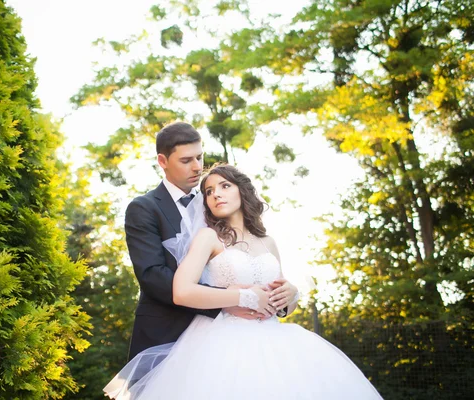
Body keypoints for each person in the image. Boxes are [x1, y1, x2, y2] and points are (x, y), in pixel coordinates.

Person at [105, 164, 383, 399]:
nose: (215, 194)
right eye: (209, 192)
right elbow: (182, 291)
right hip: (221, 343)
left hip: (278, 344)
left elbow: (280, 299)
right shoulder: (208, 238)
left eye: (224, 186)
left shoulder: (268, 241)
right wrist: (243, 297)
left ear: (242, 190)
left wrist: (291, 294)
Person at [123, 122, 298, 361]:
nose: (197, 167)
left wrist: (287, 296)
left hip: (242, 337)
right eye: (186, 161)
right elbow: (153, 276)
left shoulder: (217, 206)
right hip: (167, 332)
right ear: (163, 161)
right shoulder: (144, 208)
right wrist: (228, 300)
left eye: (199, 157)